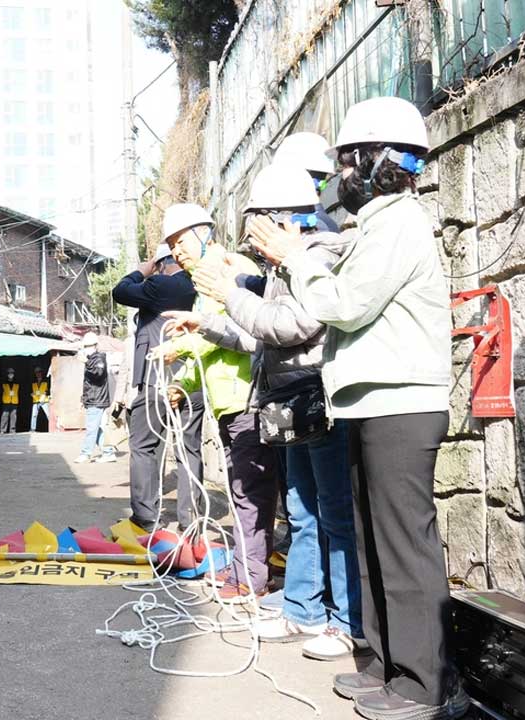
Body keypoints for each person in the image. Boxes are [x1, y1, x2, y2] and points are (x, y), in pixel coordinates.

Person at [248, 96, 467, 719]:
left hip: (401, 406)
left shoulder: (400, 221)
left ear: (376, 161)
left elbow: (345, 304)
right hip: (370, 402)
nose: (337, 176)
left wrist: (293, 259)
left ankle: (425, 684)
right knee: (372, 541)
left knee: (403, 544)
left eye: (346, 161)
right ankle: (385, 665)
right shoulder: (375, 224)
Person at [174, 160, 364, 660]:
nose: (251, 240)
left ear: (288, 219)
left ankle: (349, 621)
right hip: (288, 400)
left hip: (317, 395)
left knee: (334, 513)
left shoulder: (318, 255)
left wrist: (229, 295)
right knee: (302, 510)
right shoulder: (283, 268)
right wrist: (207, 324)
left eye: (258, 223)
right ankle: (304, 610)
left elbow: (291, 326)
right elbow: (259, 335)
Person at [153, 203, 275, 602]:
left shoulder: (229, 268)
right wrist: (183, 383)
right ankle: (247, 568)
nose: (177, 252)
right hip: (226, 400)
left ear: (205, 232)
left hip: (247, 396)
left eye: (182, 241)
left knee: (248, 492)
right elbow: (207, 341)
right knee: (245, 490)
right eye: (172, 246)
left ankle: (250, 577)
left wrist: (181, 346)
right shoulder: (203, 282)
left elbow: (235, 329)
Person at [112, 238, 204, 530]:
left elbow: (121, 291)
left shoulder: (164, 285)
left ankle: (146, 519)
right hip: (193, 380)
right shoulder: (199, 285)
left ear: (163, 264)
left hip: (158, 380)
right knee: (189, 451)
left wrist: (141, 271)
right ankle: (191, 522)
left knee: (143, 447)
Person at [75, 334, 115, 464]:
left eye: (88, 346)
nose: (87, 349)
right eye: (85, 346)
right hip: (94, 399)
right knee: (97, 427)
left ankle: (85, 453)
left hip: (96, 399)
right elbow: (89, 383)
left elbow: (98, 373)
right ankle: (108, 452)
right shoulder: (93, 359)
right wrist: (83, 399)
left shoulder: (98, 359)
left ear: (95, 346)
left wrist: (86, 363)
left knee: (92, 428)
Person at [29, 366, 50, 432]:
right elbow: (30, 390)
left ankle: (52, 429)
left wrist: (45, 394)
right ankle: (32, 429)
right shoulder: (33, 381)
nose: (38, 373)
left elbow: (49, 389)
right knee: (34, 415)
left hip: (44, 400)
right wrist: (31, 394)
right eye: (37, 372)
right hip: (36, 400)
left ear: (41, 373)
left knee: (48, 414)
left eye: (39, 372)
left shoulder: (46, 380)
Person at [0, 367, 19, 434]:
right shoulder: (3, 382)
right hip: (6, 401)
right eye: (9, 373)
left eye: (12, 373)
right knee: (5, 415)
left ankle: (12, 430)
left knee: (13, 416)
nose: (11, 374)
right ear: (7, 374)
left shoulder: (17, 382)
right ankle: (3, 430)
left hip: (14, 401)